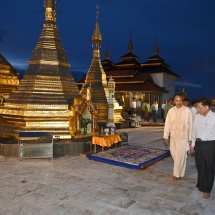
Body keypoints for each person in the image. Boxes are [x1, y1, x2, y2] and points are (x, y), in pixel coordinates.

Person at [190, 98, 215, 200]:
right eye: (197, 108)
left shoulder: (213, 117)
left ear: (207, 107)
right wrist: (193, 145)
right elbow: (194, 130)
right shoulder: (197, 117)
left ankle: (207, 190)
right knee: (200, 165)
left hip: (210, 145)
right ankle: (200, 183)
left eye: (200, 108)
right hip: (199, 144)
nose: (198, 109)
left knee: (209, 167)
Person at [163, 94, 192, 180]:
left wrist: (190, 138)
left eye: (180, 101)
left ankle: (176, 174)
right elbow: (167, 124)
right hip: (173, 136)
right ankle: (181, 172)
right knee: (174, 154)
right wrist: (166, 136)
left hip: (183, 137)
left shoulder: (187, 111)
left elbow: (191, 125)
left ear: (182, 101)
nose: (178, 102)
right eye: (177, 100)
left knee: (180, 155)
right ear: (174, 101)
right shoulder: (171, 111)